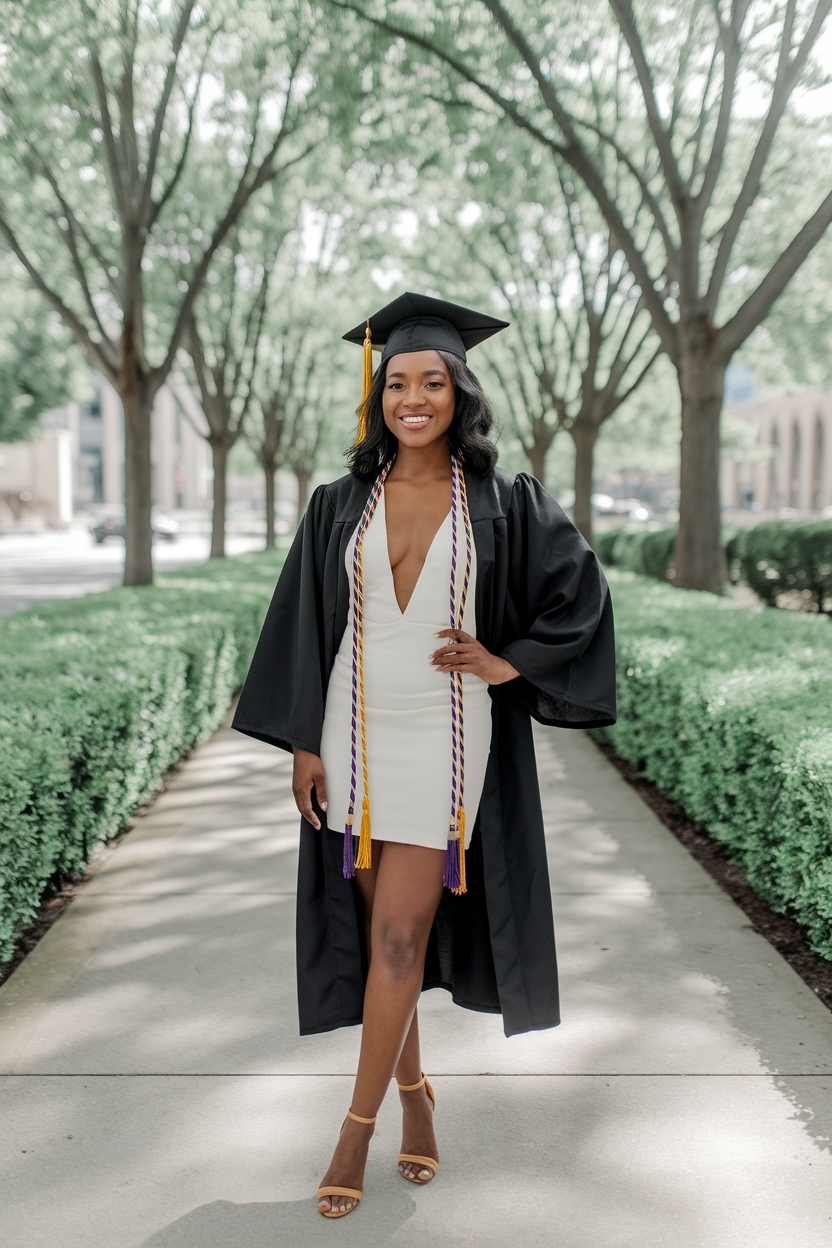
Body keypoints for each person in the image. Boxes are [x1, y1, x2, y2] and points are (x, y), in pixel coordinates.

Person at [233, 292, 616, 1218]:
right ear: (378, 397)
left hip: (447, 740)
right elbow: (303, 627)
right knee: (379, 944)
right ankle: (413, 1095)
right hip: (351, 736)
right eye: (396, 381)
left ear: (458, 392)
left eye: (431, 381)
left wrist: (504, 661)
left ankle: (353, 1130)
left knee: (402, 936)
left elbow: (582, 593)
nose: (412, 397)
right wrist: (300, 746)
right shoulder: (339, 505)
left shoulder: (504, 501)